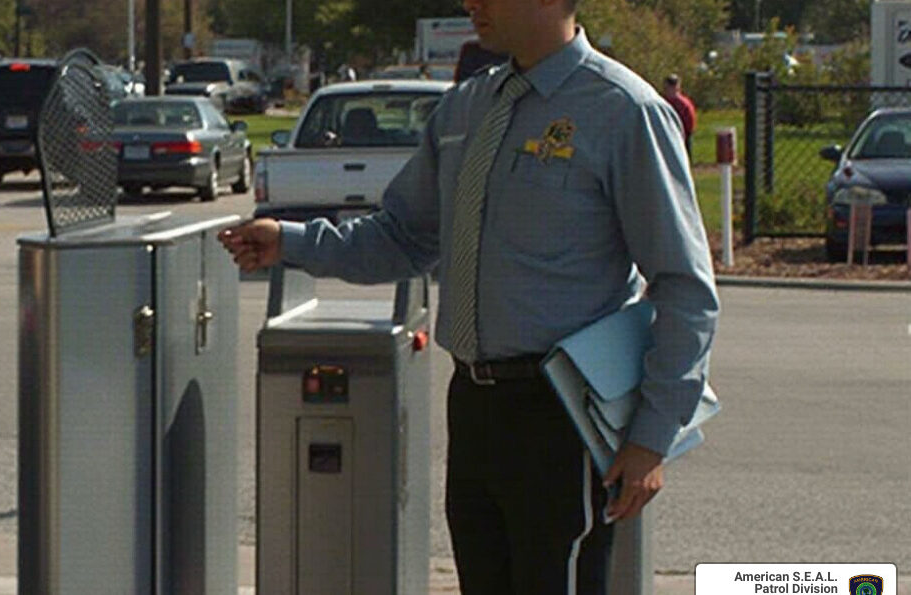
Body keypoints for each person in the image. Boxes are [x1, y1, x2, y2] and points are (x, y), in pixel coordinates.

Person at [219, 0, 719, 592]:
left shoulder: (623, 111)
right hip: (475, 405)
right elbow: (403, 238)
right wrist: (292, 243)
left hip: (562, 415)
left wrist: (651, 437)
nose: (470, 3)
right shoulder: (468, 108)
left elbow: (685, 285)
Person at [662, 73, 697, 157]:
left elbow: (690, 122)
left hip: (681, 135)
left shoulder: (683, 103)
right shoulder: (663, 102)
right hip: (666, 135)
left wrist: (686, 133)